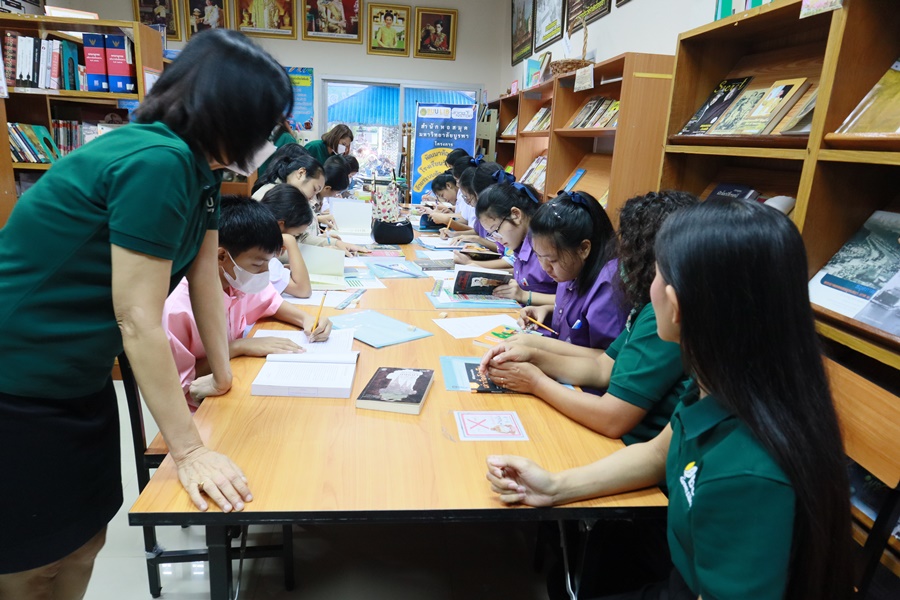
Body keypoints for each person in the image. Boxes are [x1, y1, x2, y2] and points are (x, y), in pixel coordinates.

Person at [0, 29, 291, 598]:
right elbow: (137, 317)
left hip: (79, 379)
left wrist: (223, 375)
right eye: (267, 121)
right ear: (232, 111)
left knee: (83, 541)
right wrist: (189, 450)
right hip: (20, 383)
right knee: (30, 562)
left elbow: (204, 277)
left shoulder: (201, 171)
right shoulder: (158, 161)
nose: (272, 137)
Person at [486, 199, 852, 600]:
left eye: (657, 272)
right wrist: (555, 486)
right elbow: (658, 452)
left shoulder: (748, 472)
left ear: (675, 304)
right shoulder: (721, 384)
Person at [481, 191, 698, 442]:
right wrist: (532, 351)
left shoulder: (659, 318)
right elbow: (603, 365)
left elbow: (613, 416)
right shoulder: (647, 309)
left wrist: (535, 380)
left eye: (629, 252)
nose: (622, 261)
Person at [163, 196, 331, 410]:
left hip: (232, 383)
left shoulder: (235, 282)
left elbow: (272, 303)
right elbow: (183, 383)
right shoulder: (178, 307)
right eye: (258, 264)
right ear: (221, 256)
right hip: (200, 409)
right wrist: (238, 347)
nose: (264, 272)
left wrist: (307, 319)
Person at [475, 181, 558, 301]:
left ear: (516, 214)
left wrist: (525, 296)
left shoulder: (548, 246)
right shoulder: (520, 242)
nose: (496, 239)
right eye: (491, 234)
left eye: (496, 230)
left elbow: (569, 301)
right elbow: (526, 275)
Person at [258, 184, 315, 298]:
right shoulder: (259, 251)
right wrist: (290, 241)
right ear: (280, 224)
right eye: (295, 235)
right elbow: (303, 291)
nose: (295, 238)